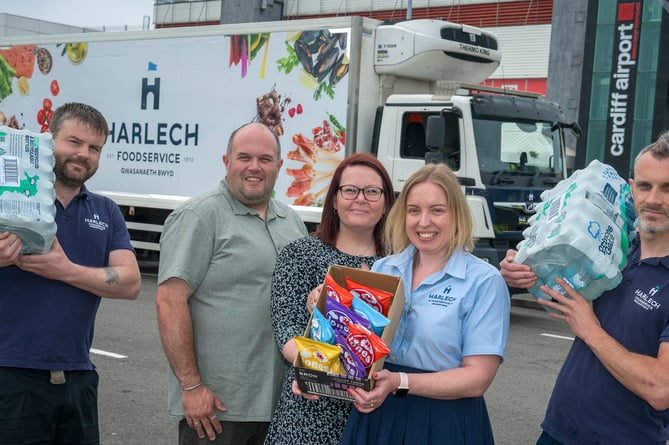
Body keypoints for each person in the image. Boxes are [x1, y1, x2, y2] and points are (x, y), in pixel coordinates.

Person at [500, 131, 669, 444]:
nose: (654, 199)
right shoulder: (616, 252)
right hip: (557, 431)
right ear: (632, 188)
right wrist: (522, 269)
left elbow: (661, 389)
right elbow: (558, 291)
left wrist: (590, 329)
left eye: (667, 188)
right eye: (645, 186)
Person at [155, 122, 308, 445]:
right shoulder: (199, 216)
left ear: (279, 167)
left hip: (281, 405)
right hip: (219, 409)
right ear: (226, 162)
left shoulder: (291, 221)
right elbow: (169, 301)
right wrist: (192, 387)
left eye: (265, 159)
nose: (254, 167)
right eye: (244, 157)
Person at [0, 102, 141, 444]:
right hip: (10, 375)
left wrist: (65, 271)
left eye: (94, 148)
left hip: (78, 377)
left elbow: (132, 282)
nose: (83, 154)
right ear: (49, 141)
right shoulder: (10, 200)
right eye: (74, 142)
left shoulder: (105, 211)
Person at [339, 163, 510, 445]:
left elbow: (478, 378)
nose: (423, 222)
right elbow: (359, 350)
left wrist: (399, 382)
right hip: (379, 415)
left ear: (457, 214)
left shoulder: (483, 281)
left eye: (437, 210)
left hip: (445, 421)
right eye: (414, 210)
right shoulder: (383, 269)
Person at [264, 153, 395, 445]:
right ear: (334, 200)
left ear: (386, 203)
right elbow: (286, 332)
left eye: (372, 191)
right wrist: (333, 375)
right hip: (312, 409)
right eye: (349, 190)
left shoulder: (400, 263)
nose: (360, 198)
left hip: (382, 409)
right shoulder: (300, 254)